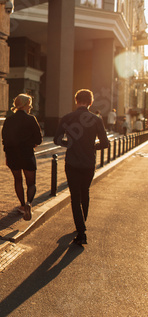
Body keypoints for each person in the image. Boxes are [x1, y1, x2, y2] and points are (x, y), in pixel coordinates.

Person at [54, 89, 109, 245]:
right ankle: (81, 224)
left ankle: (81, 231)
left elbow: (57, 140)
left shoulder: (67, 118)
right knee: (85, 192)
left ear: (76, 100)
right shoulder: (96, 119)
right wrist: (92, 147)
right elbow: (105, 143)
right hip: (89, 163)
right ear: (90, 102)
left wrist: (69, 144)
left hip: (72, 162)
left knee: (74, 197)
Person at [2, 94, 42, 221]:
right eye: (29, 104)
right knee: (31, 183)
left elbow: (5, 140)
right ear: (25, 105)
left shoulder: (8, 120)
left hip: (13, 154)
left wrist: (7, 156)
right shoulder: (31, 119)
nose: (30, 106)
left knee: (17, 180)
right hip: (27, 154)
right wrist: (32, 143)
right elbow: (39, 140)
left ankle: (22, 205)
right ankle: (29, 203)